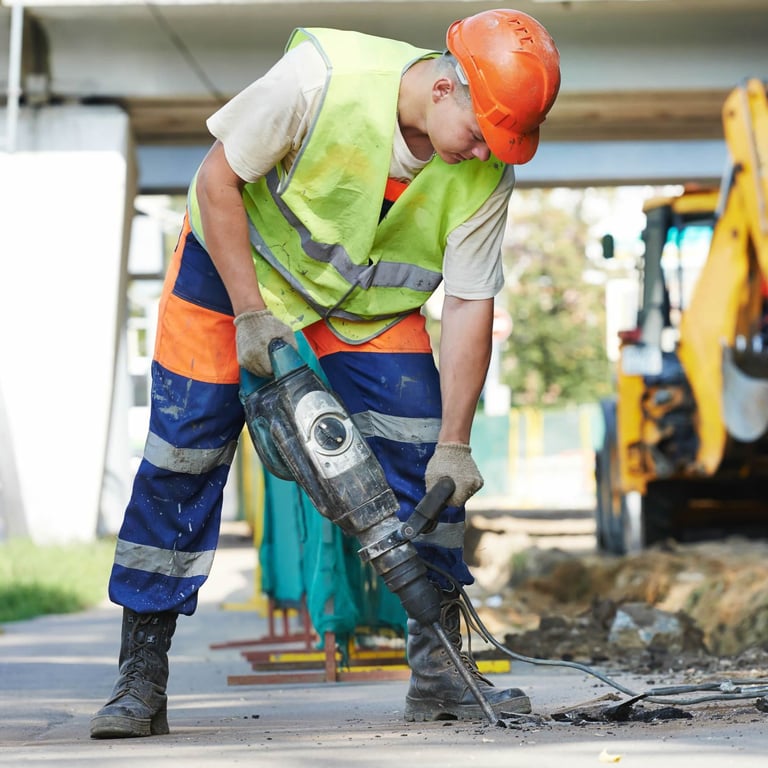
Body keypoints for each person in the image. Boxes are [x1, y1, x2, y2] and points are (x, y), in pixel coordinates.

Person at [90, 8, 560, 738]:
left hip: (361, 305)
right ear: (446, 88)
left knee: (425, 458)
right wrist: (249, 314)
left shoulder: (487, 167)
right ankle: (140, 678)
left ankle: (441, 673)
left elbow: (470, 303)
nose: (486, 152)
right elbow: (217, 181)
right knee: (181, 461)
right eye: (482, 132)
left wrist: (457, 442)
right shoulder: (323, 78)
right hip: (231, 276)